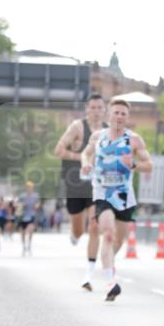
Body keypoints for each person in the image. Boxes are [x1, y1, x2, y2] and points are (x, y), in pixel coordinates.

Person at [80, 98, 152, 301]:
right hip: (103, 193)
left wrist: (135, 165)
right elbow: (85, 155)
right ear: (109, 115)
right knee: (108, 234)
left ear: (127, 117)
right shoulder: (97, 137)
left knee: (119, 240)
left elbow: (149, 165)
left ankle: (109, 264)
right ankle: (111, 282)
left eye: (123, 114)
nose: (119, 117)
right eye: (116, 112)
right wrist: (86, 164)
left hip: (125, 196)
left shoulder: (134, 140)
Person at [54, 94, 107, 287]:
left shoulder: (109, 131)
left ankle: (89, 274)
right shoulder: (77, 127)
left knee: (94, 225)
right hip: (76, 185)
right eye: (92, 107)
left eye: (99, 107)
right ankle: (74, 235)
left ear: (104, 110)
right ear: (87, 109)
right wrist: (83, 159)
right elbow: (58, 150)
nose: (96, 111)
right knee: (78, 230)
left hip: (98, 187)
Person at [17, 181, 41, 255]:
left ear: (32, 188)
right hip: (23, 216)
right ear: (26, 187)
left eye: (30, 187)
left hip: (31, 215)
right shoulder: (22, 196)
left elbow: (38, 203)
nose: (29, 188)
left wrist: (37, 205)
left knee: (30, 230)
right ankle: (24, 246)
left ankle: (29, 245)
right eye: (28, 187)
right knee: (22, 233)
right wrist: (23, 204)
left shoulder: (35, 196)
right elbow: (17, 204)